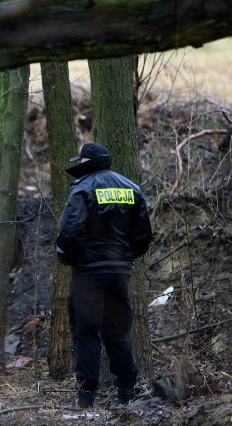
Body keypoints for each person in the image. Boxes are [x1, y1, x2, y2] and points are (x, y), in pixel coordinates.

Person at [56, 142, 153, 408]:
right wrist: (125, 260)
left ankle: (86, 396)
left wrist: (67, 257)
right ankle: (127, 392)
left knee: (86, 332)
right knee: (117, 331)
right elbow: (143, 234)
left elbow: (70, 232)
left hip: (88, 273)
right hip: (118, 272)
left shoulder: (83, 189)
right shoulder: (131, 188)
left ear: (87, 163)